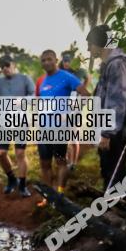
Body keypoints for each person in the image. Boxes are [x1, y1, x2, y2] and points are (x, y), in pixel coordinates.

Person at [36, 49, 90, 206]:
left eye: (49, 59)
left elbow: (86, 94)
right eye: (43, 60)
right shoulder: (43, 81)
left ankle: (59, 193)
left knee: (61, 162)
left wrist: (70, 113)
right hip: (44, 129)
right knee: (45, 164)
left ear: (55, 60)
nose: (46, 62)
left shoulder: (67, 77)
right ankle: (47, 196)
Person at [88, 25, 126, 190]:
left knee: (115, 175)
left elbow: (117, 100)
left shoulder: (116, 64)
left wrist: (107, 133)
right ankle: (110, 210)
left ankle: (117, 212)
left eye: (90, 43)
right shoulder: (108, 64)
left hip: (115, 132)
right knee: (109, 173)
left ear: (99, 42)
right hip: (110, 129)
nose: (88, 48)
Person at [0, 56, 35, 197]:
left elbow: (33, 95)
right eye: (2, 66)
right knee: (1, 154)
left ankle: (22, 185)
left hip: (21, 121)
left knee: (20, 153)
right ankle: (11, 179)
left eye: (7, 65)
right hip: (4, 122)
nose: (5, 68)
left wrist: (23, 100)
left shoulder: (25, 79)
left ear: (14, 64)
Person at [60, 53, 89, 170]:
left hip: (76, 107)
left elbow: (88, 78)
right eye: (64, 61)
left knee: (73, 136)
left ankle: (74, 163)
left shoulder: (80, 72)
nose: (66, 63)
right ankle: (66, 160)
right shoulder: (59, 73)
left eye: (68, 61)